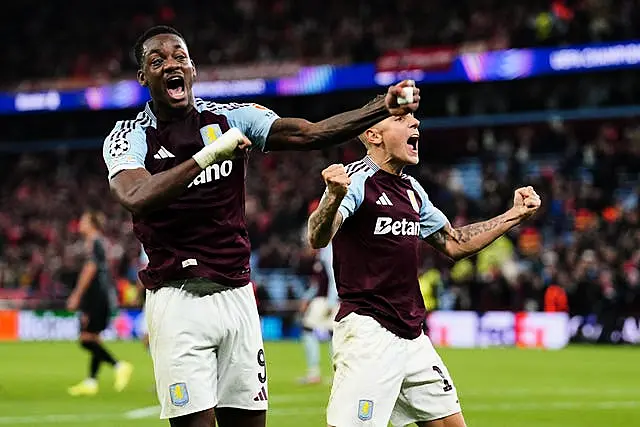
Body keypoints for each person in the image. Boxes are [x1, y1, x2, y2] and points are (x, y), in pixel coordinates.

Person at [102, 25, 420, 427]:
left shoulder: (231, 117)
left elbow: (310, 133)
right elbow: (136, 196)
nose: (171, 64)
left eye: (179, 56)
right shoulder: (129, 136)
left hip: (237, 296)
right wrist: (210, 153)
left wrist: (381, 107)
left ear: (193, 69)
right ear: (143, 78)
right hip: (177, 300)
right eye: (157, 60)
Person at [307, 96, 541, 427]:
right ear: (374, 135)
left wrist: (514, 215)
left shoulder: (411, 189)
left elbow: (453, 242)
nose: (415, 124)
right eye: (402, 119)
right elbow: (318, 237)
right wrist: (332, 197)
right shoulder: (356, 179)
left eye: (414, 119)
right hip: (369, 332)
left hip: (412, 334)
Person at [66, 211, 134, 396]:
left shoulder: (95, 241)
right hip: (100, 295)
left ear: (91, 224)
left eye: (83, 220)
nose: (80, 223)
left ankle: (119, 365)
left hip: (98, 296)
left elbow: (91, 268)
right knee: (94, 338)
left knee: (85, 339)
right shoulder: (97, 242)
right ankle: (91, 382)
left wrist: (77, 295)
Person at [298, 241, 338, 385]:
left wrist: (332, 302)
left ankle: (314, 373)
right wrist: (306, 298)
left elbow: (334, 278)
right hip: (322, 299)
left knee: (308, 331)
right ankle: (337, 374)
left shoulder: (328, 251)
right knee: (333, 336)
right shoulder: (322, 255)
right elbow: (317, 284)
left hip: (325, 301)